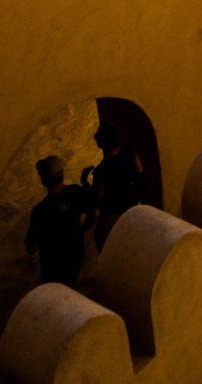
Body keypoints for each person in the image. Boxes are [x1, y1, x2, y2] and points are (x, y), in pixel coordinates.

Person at [24, 156, 90, 287]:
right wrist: (82, 230)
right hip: (74, 255)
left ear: (44, 179)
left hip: (51, 264)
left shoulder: (40, 210)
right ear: (62, 174)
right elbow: (93, 208)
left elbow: (31, 245)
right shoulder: (75, 192)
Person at [83, 120, 148, 248]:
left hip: (113, 219)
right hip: (136, 212)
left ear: (100, 144)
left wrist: (84, 182)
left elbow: (99, 198)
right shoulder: (129, 149)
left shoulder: (101, 171)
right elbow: (140, 169)